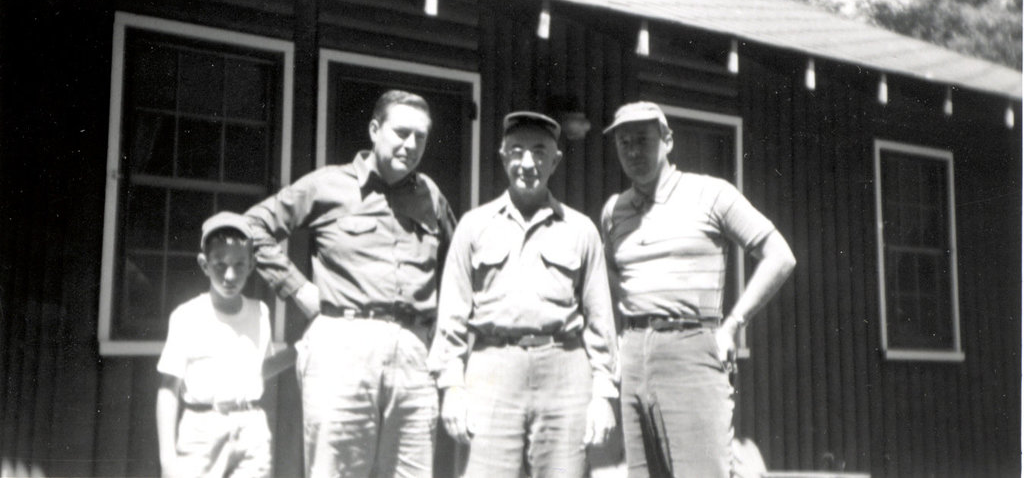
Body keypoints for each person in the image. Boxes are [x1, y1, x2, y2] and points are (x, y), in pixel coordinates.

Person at [243, 90, 457, 478]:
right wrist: (296, 288)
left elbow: (460, 264)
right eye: (401, 132)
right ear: (375, 130)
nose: (411, 145)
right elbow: (250, 228)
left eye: (420, 137)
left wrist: (444, 334)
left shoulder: (430, 195)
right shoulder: (327, 185)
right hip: (342, 342)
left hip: (413, 352)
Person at [601, 101, 796, 478]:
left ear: (668, 140)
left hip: (691, 346)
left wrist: (734, 324)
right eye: (624, 143)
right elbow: (611, 274)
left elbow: (780, 256)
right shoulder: (615, 211)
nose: (634, 151)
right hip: (634, 354)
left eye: (643, 140)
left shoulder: (710, 194)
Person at [430, 111, 618, 478]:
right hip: (492, 367)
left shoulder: (581, 230)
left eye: (539, 152)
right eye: (517, 151)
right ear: (503, 156)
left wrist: (603, 395)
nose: (527, 163)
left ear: (556, 161)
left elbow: (600, 322)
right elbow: (451, 313)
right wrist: (452, 386)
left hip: (564, 369)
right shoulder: (474, 225)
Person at [156, 211, 295, 478]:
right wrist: (167, 458)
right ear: (204, 264)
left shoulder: (260, 313)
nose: (230, 275)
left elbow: (259, 370)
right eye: (220, 265)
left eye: (239, 264)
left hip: (251, 427)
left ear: (252, 265)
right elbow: (168, 390)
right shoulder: (187, 316)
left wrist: (301, 350)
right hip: (201, 429)